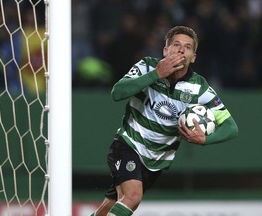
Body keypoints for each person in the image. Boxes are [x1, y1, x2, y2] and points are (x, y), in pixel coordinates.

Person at [90, 26, 239, 216]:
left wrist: (205, 140)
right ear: (165, 50)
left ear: (193, 56)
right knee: (133, 197)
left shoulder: (199, 88)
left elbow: (231, 126)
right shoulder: (147, 66)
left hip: (157, 162)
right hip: (128, 145)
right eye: (176, 45)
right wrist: (156, 75)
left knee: (110, 208)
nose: (181, 50)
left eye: (187, 47)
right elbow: (117, 93)